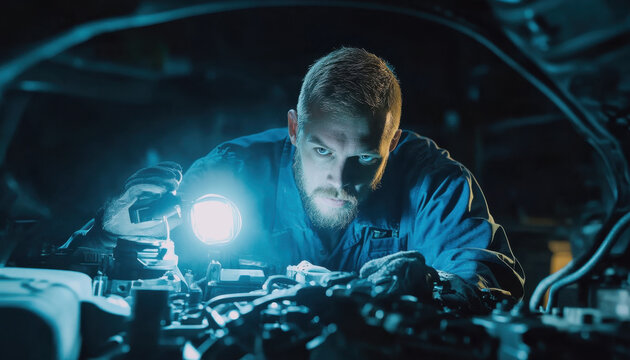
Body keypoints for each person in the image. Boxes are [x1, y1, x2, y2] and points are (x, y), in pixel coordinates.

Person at [66, 47, 524, 311]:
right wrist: (111, 233)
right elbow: (118, 265)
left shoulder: (435, 185)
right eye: (322, 150)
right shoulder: (232, 172)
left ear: (393, 140)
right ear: (293, 129)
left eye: (365, 157)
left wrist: (432, 284)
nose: (341, 179)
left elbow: (486, 283)